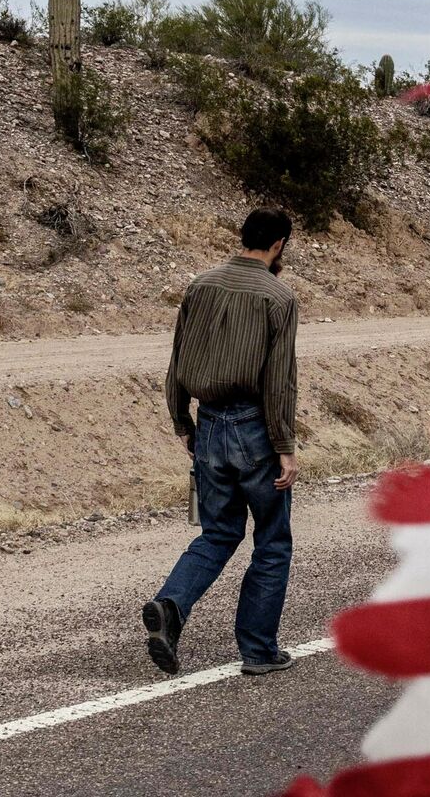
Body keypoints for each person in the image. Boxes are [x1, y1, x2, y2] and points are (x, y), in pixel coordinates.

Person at [144, 208, 301, 676]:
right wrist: (284, 446)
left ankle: (171, 605)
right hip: (254, 430)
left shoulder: (200, 285)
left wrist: (182, 423)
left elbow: (176, 363)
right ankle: (258, 649)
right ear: (278, 245)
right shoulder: (279, 297)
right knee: (272, 541)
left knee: (218, 531)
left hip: (207, 425)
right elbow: (279, 382)